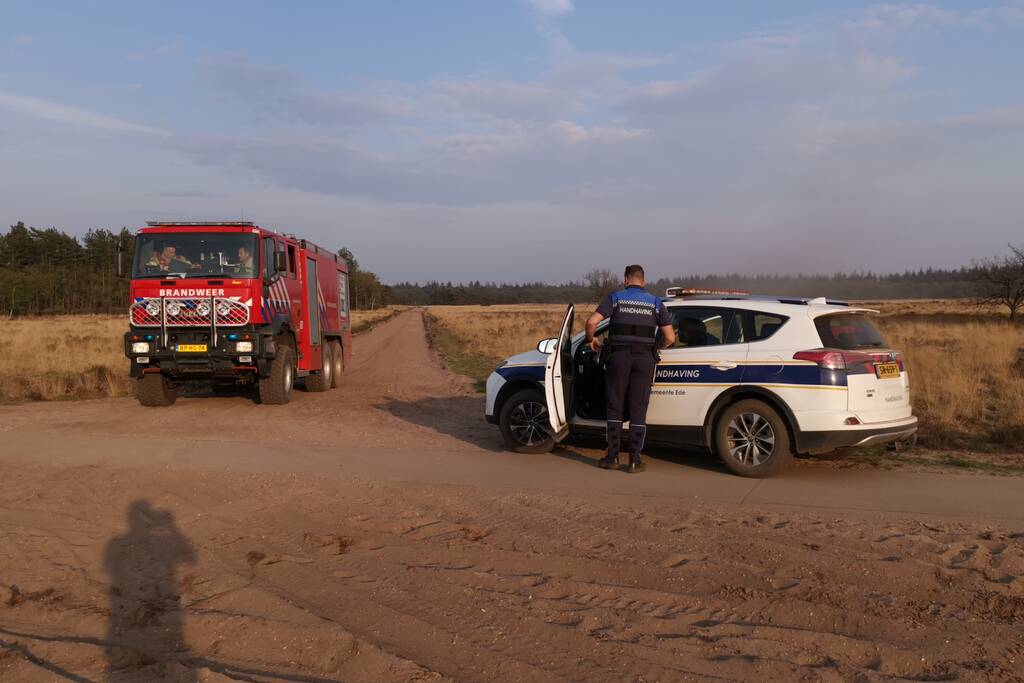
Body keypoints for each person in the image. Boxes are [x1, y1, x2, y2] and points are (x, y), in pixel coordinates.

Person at [585, 265, 675, 473]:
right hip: (644, 360)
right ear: (643, 280)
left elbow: (592, 322)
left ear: (626, 279)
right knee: (638, 407)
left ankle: (612, 457)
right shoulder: (655, 302)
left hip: (619, 357)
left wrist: (592, 339)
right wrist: (656, 347)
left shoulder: (616, 298)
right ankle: (635, 460)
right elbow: (670, 337)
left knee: (615, 405)